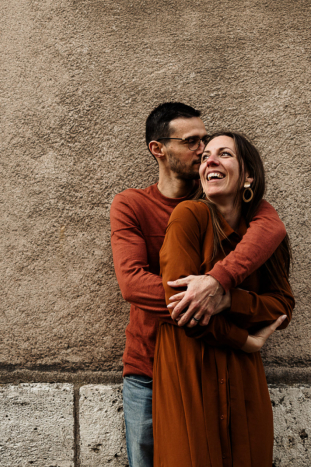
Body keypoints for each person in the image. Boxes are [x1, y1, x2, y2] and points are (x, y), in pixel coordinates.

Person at [110, 103, 288, 467]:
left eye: (208, 143)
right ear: (158, 149)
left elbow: (272, 230)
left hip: (213, 362)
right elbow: (132, 284)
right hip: (148, 365)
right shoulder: (133, 204)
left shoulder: (228, 204)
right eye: (194, 143)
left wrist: (219, 287)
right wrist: (201, 304)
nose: (202, 152)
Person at [153, 132, 294, 467]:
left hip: (244, 382)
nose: (210, 161)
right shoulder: (189, 216)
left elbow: (283, 305)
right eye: (205, 157)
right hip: (189, 369)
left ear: (248, 176)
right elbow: (182, 311)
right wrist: (244, 340)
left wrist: (230, 301)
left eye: (224, 154)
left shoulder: (261, 234)